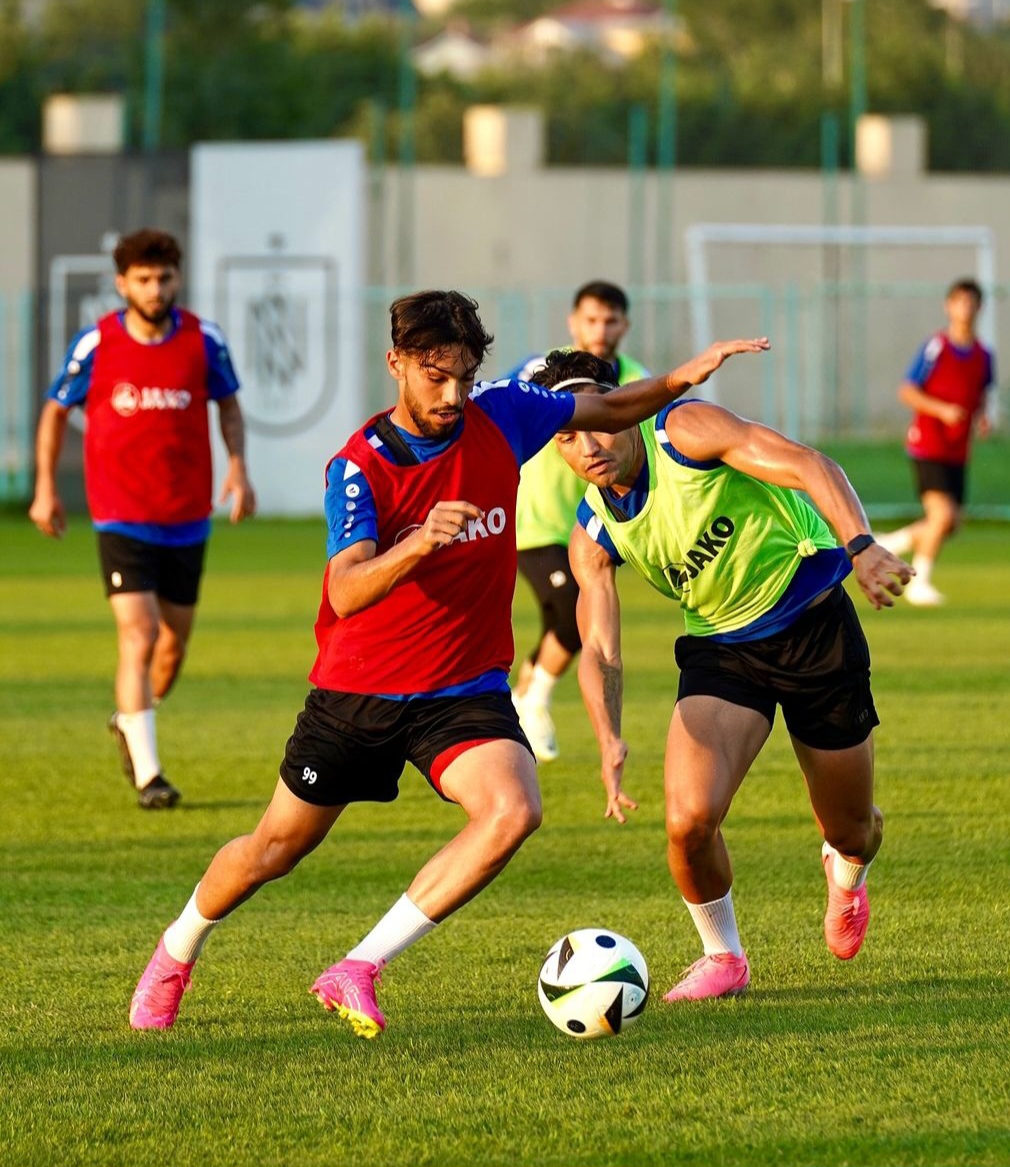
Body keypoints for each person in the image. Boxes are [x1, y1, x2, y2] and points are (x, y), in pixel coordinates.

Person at [127, 289, 768, 1036]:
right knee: (273, 849)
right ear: (396, 362)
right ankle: (177, 949)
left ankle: (359, 965)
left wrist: (688, 373)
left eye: (464, 374)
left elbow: (613, 409)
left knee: (514, 808)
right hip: (358, 690)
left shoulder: (501, 413)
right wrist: (422, 541)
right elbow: (347, 585)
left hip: (463, 688)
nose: (453, 394)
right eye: (435, 376)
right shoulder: (359, 466)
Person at [529, 348, 913, 1003]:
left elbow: (808, 464)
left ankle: (846, 873)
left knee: (852, 827)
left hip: (814, 626)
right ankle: (723, 956)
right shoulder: (593, 533)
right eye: (568, 436)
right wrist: (609, 738)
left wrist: (861, 544)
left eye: (598, 420)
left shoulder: (683, 433)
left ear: (622, 405)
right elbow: (600, 648)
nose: (589, 444)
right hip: (723, 654)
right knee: (688, 819)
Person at [29, 228, 256, 809]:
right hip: (120, 515)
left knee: (172, 649)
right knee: (140, 633)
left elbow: (228, 406)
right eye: (144, 279)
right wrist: (46, 488)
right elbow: (56, 413)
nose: (155, 289)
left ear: (176, 279)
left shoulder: (204, 339)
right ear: (122, 283)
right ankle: (151, 777)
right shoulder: (97, 344)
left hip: (186, 516)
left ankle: (129, 722)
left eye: (164, 278)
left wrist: (237, 467)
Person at [509, 281, 649, 762]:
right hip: (532, 523)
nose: (600, 329)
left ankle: (521, 695)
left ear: (624, 326)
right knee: (573, 614)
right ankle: (532, 704)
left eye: (610, 320)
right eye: (591, 319)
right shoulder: (544, 372)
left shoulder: (634, 380)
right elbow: (496, 408)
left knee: (563, 623)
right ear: (573, 323)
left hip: (593, 526)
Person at [877, 278, 994, 606]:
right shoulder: (937, 347)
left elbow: (980, 393)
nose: (966, 309)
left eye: (972, 302)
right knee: (941, 517)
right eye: (960, 302)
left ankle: (890, 542)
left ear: (979, 308)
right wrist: (942, 410)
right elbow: (907, 390)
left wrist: (982, 416)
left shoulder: (984, 355)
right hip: (928, 444)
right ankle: (918, 583)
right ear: (949, 306)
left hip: (958, 450)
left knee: (950, 523)